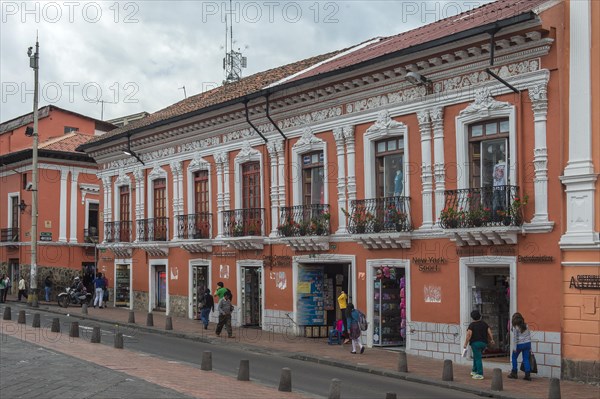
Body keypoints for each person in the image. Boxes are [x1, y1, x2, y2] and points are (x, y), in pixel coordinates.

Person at [463, 310, 495, 380]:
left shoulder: (472, 325)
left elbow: (469, 335)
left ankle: (480, 373)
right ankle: (474, 370)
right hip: (484, 343)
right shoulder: (484, 324)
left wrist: (465, 344)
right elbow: (489, 332)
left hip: (475, 344)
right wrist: (492, 340)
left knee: (478, 358)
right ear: (480, 316)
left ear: (472, 317)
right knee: (476, 356)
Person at [508, 312, 532, 381]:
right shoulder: (526, 325)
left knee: (514, 357)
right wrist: (530, 347)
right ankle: (527, 375)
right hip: (527, 344)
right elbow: (529, 336)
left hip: (519, 344)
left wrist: (514, 348)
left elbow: (515, 338)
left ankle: (514, 373)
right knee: (526, 359)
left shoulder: (516, 327)